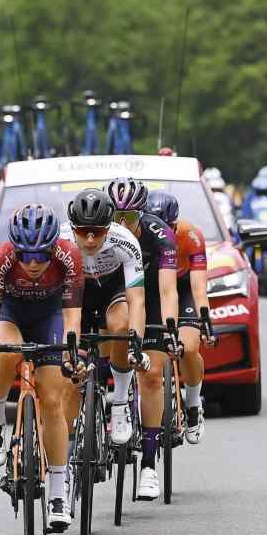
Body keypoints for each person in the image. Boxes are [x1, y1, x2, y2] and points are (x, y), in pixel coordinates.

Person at [0, 203, 84, 529]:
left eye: (41, 256)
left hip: (51, 315)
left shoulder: (69, 255)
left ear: (53, 248)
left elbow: (72, 317)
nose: (33, 263)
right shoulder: (1, 257)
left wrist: (71, 354)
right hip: (12, 313)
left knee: (52, 400)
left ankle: (58, 494)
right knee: (5, 353)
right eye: (26, 255)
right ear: (15, 250)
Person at [107, 177, 181, 501]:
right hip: (114, 294)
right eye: (116, 217)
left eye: (129, 217)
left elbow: (167, 290)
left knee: (151, 376)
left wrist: (170, 327)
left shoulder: (160, 235)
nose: (122, 224)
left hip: (149, 295)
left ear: (142, 214)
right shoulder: (101, 234)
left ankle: (149, 465)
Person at [64, 188, 149, 447]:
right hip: (77, 291)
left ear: (109, 228)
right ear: (72, 228)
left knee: (121, 325)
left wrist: (136, 343)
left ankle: (120, 402)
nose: (90, 240)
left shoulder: (125, 241)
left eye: (98, 232)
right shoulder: (60, 240)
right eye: (83, 232)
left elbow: (137, 300)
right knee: (67, 361)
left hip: (111, 289)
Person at [146, 191, 215, 444]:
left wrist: (205, 321)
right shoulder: (141, 235)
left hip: (184, 287)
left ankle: (193, 405)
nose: (166, 233)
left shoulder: (190, 235)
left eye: (170, 227)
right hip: (154, 289)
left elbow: (198, 288)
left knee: (188, 347)